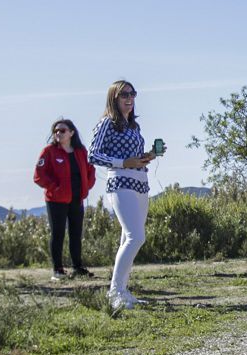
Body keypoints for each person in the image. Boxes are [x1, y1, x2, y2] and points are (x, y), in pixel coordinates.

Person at [89, 80, 160, 313]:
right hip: (120, 181)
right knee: (135, 237)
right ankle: (115, 292)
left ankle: (122, 290)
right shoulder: (106, 123)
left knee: (126, 239)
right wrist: (122, 162)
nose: (129, 98)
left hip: (140, 182)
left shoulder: (133, 126)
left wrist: (147, 156)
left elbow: (133, 157)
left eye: (132, 94)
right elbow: (93, 155)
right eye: (124, 95)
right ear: (114, 98)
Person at [33, 119, 96, 280]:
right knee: (58, 233)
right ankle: (58, 270)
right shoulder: (49, 151)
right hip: (56, 200)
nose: (58, 133)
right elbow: (39, 175)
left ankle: (77, 267)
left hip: (76, 199)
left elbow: (90, 171)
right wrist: (55, 187)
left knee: (76, 233)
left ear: (71, 133)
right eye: (56, 131)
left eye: (62, 130)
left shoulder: (81, 151)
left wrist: (86, 187)